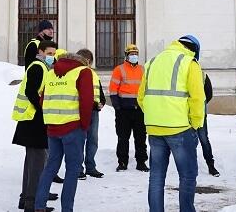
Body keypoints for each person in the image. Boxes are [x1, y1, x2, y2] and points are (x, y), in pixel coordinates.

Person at [139, 35, 205, 212]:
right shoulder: (190, 63)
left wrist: (155, 114)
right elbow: (198, 98)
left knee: (156, 177)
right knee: (188, 175)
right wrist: (196, 123)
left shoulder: (152, 62)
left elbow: (141, 97)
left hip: (154, 128)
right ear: (194, 50)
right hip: (180, 128)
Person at [33, 50, 94, 212]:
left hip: (52, 127)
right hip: (73, 127)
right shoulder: (84, 71)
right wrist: (85, 125)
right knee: (73, 170)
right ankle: (67, 208)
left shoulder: (52, 72)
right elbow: (87, 102)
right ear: (84, 61)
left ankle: (39, 205)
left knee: (51, 166)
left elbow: (42, 99)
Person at [13, 40, 59, 212]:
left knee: (32, 164)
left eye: (54, 54)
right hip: (34, 121)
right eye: (49, 53)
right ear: (40, 52)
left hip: (32, 121)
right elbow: (32, 92)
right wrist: (43, 110)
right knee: (38, 165)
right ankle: (32, 204)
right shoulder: (38, 67)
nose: (52, 57)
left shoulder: (42, 67)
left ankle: (26, 200)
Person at [109, 44, 148, 172]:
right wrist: (117, 106)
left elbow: (146, 89)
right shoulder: (119, 69)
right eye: (131, 54)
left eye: (135, 54)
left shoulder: (143, 70)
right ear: (126, 55)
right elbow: (113, 89)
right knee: (123, 138)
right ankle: (122, 162)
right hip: (124, 111)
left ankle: (141, 162)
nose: (134, 56)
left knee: (141, 138)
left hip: (140, 110)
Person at [75, 49, 105, 180]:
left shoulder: (93, 74)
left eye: (88, 60)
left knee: (93, 140)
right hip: (80, 111)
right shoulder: (75, 74)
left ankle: (90, 167)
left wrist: (102, 102)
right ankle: (78, 168)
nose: (86, 62)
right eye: (83, 59)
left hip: (94, 111)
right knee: (80, 140)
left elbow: (99, 90)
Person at [197, 72, 220, 176]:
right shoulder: (202, 74)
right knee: (202, 140)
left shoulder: (202, 75)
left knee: (202, 140)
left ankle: (210, 165)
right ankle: (210, 166)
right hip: (193, 113)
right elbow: (209, 94)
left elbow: (208, 94)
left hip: (196, 113)